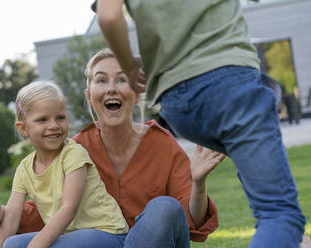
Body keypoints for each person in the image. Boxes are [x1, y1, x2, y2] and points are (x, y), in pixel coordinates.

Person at [94, 0, 306, 247]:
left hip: (175, 104)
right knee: (279, 213)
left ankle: (294, 239)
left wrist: (130, 68)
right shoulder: (81, 148)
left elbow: (107, 15)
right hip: (229, 81)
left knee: (269, 200)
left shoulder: (158, 139)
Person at [0, 49, 226, 248]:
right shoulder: (71, 148)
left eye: (122, 80)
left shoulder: (162, 144)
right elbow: (45, 211)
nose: (111, 88)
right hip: (96, 242)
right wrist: (3, 213)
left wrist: (199, 182)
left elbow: (187, 221)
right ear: (89, 94)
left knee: (165, 207)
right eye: (101, 80)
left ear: (136, 93)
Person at [0, 81, 129, 248]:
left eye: (60, 117)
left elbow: (69, 209)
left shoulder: (73, 154)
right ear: (23, 129)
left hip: (106, 233)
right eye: (42, 120)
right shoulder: (24, 169)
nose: (54, 125)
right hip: (70, 237)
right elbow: (11, 219)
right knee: (12, 244)